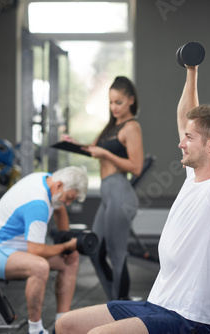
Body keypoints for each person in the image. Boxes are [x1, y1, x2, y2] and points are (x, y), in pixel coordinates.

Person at [55, 46, 210, 334]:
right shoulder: (192, 177)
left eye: (189, 138)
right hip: (157, 303)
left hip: (188, 318)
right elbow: (185, 115)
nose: (180, 143)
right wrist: (191, 71)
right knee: (66, 324)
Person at [0, 166, 88, 334]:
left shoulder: (48, 179)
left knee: (70, 260)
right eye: (69, 198)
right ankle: (35, 330)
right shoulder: (38, 204)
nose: (68, 203)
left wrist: (67, 241)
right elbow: (36, 251)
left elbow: (60, 209)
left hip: (15, 248)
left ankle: (62, 325)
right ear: (60, 186)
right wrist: (66, 246)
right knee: (39, 266)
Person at [62, 76, 144, 301]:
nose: (114, 107)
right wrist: (72, 144)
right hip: (108, 195)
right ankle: (114, 303)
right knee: (95, 251)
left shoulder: (131, 127)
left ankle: (121, 309)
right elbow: (93, 150)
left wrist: (107, 154)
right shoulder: (111, 127)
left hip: (120, 192)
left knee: (118, 256)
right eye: (110, 102)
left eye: (118, 102)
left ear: (130, 100)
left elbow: (136, 167)